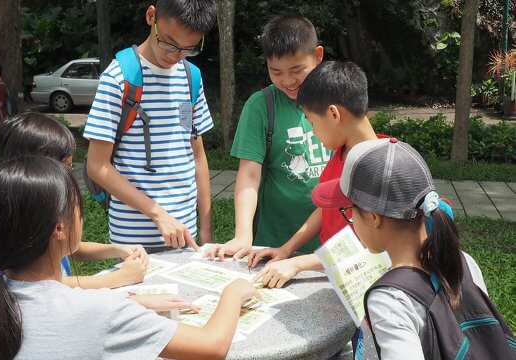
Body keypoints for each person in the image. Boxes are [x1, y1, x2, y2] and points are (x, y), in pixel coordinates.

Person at [0, 155, 261, 360]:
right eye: (77, 206)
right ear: (60, 228)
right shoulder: (99, 311)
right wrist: (233, 293)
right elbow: (210, 347)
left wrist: (130, 301)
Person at [309, 138, 490, 359]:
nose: (351, 219)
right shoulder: (463, 261)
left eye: (349, 211)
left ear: (373, 217)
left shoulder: (390, 301)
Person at [84, 0, 216, 251]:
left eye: (187, 49)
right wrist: (158, 214)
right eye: (168, 43)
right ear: (151, 16)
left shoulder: (191, 78)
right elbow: (96, 166)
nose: (174, 56)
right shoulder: (118, 79)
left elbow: (196, 156)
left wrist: (206, 229)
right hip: (133, 238)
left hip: (185, 234)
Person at [242, 61, 381, 288]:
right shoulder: (339, 156)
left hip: (367, 285)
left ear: (334, 114)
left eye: (313, 123)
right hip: (335, 277)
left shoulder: (378, 169)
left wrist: (299, 264)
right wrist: (286, 250)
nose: (314, 133)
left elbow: (369, 249)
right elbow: (325, 210)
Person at [206, 13, 329, 261]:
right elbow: (249, 175)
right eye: (277, 72)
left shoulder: (335, 99)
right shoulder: (261, 106)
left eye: (297, 70)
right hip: (274, 241)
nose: (288, 81)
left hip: (331, 242)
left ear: (317, 56)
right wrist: (243, 234)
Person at [0, 112, 149, 290]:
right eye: (65, 167)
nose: (70, 176)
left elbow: (72, 247)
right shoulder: (10, 218)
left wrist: (116, 249)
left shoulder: (31, 203)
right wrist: (119, 278)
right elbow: (39, 284)